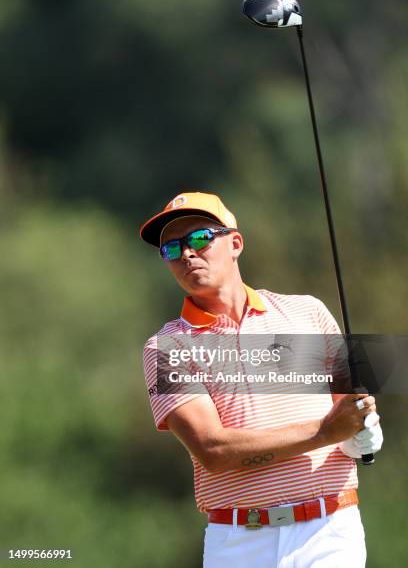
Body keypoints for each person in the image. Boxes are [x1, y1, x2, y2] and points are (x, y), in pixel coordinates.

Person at [140, 191, 383, 568]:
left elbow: (350, 409)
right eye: (172, 249)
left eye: (199, 238)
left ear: (235, 243)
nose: (186, 253)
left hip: (330, 531)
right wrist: (324, 432)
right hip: (238, 543)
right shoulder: (166, 347)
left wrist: (362, 432)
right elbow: (213, 451)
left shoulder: (308, 312)